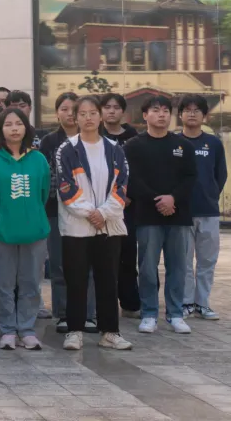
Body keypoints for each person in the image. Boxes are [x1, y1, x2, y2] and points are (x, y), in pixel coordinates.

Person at [55, 95, 133, 352]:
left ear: (100, 117)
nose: (88, 118)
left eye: (92, 113)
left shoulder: (115, 149)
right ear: (75, 118)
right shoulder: (67, 150)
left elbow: (122, 186)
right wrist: (91, 213)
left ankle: (110, 332)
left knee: (108, 280)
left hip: (108, 226)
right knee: (76, 280)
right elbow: (66, 187)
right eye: (82, 114)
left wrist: (104, 213)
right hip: (77, 227)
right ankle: (74, 331)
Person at [0, 107, 51, 351]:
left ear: (26, 128)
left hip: (34, 231)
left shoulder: (38, 159)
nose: (14, 129)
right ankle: (7, 329)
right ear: (0, 130)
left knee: (31, 282)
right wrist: (0, 216)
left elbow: (43, 193)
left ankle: (27, 330)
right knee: (3, 283)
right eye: (8, 124)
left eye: (19, 123)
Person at [124, 97, 197, 335]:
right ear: (145, 115)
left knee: (178, 267)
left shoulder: (183, 145)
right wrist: (158, 200)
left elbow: (190, 178)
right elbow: (131, 179)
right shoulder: (133, 146)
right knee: (147, 267)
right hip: (147, 215)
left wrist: (173, 198)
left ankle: (175, 314)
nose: (162, 114)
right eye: (155, 110)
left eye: (166, 110)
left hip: (178, 215)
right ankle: (149, 313)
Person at [39, 92, 95, 333]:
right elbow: (45, 177)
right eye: (64, 108)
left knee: (87, 265)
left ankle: (89, 314)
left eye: (74, 109)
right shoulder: (49, 142)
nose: (69, 113)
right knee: (59, 264)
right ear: (57, 113)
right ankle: (63, 313)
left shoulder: (92, 140)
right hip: (55, 209)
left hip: (88, 211)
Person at [177, 95, 227, 322]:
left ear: (204, 115)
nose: (192, 113)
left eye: (197, 110)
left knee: (207, 261)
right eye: (187, 110)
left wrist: (210, 194)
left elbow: (220, 174)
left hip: (208, 211)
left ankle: (202, 303)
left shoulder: (213, 143)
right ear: (180, 115)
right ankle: (186, 303)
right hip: (182, 213)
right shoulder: (174, 143)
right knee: (184, 262)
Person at [99, 93, 141, 319]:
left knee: (127, 254)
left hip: (127, 206)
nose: (111, 111)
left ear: (123, 112)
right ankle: (102, 304)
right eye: (107, 107)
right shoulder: (95, 135)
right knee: (102, 256)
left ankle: (130, 302)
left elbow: (139, 170)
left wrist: (127, 195)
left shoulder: (133, 137)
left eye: (116, 107)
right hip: (101, 205)